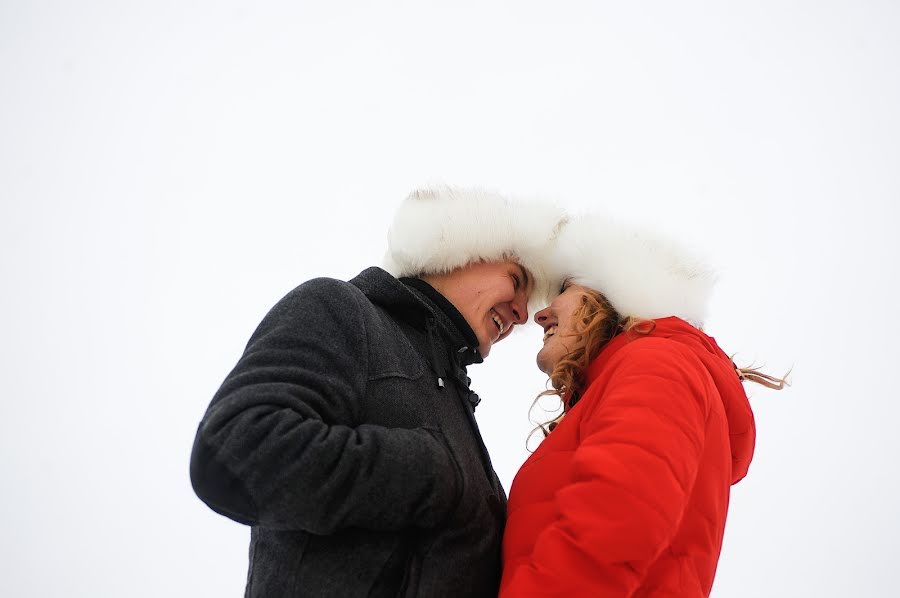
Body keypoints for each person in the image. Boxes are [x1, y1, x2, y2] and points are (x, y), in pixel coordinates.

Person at [189, 186, 562, 597]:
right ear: (459, 252)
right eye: (515, 279)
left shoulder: (454, 400)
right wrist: (428, 471)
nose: (522, 313)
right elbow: (233, 450)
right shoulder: (341, 309)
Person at [500, 213, 786, 597]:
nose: (541, 313)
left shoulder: (656, 363)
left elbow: (617, 520)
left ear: (615, 298)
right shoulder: (636, 374)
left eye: (565, 289)